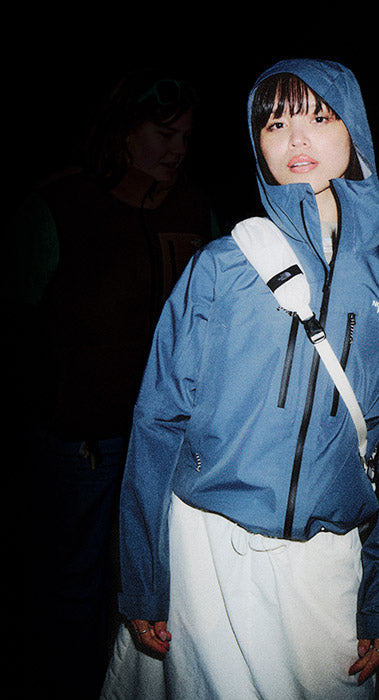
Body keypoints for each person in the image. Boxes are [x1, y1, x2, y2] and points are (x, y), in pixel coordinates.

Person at [104, 59, 379, 699]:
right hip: (205, 547)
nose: (296, 137)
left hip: (327, 562)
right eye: (274, 123)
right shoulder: (221, 266)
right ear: (257, 143)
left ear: (354, 130)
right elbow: (158, 423)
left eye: (319, 117)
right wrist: (143, 577)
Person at [10, 69, 216, 699]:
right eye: (163, 134)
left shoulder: (195, 211)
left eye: (186, 136)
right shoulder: (60, 206)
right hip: (82, 446)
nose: (177, 150)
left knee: (155, 589)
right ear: (125, 133)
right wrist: (56, 404)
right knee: (72, 587)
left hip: (169, 446)